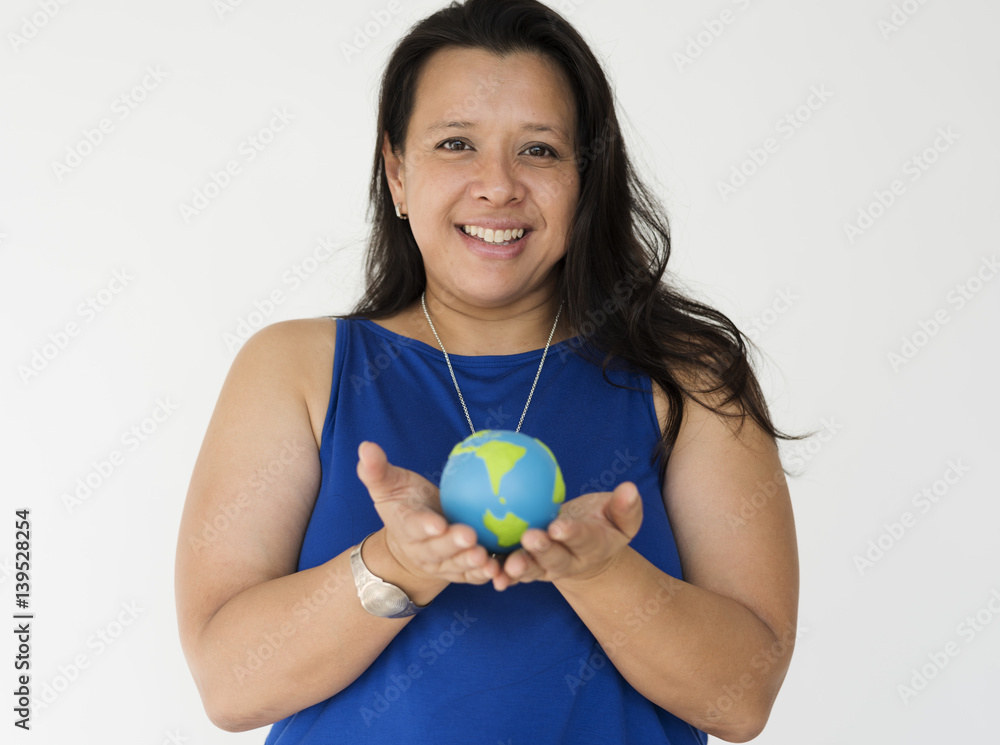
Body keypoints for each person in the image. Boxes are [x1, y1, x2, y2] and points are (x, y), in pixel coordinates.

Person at [175, 1, 801, 742]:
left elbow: (742, 697)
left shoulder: (689, 377)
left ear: (585, 175)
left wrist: (599, 570)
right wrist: (400, 561)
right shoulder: (296, 369)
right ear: (398, 174)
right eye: (455, 144)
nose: (497, 185)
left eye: (538, 150)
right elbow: (229, 683)